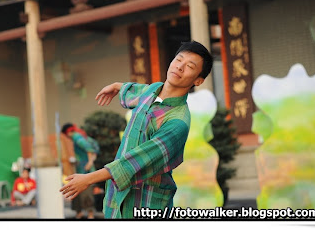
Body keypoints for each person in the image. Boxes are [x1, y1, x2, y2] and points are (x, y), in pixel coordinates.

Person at [59, 40, 213, 218]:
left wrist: (88, 179)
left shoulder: (177, 122)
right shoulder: (153, 90)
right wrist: (117, 86)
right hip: (117, 200)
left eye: (190, 66)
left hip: (147, 203)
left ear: (198, 80)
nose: (180, 67)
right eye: (179, 60)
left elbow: (136, 162)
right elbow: (137, 91)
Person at [61, 123, 99, 219]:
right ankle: (80, 212)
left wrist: (90, 162)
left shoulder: (77, 137)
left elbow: (88, 148)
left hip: (85, 170)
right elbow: (94, 148)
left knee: (86, 191)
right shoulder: (81, 136)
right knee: (77, 190)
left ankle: (89, 213)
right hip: (82, 169)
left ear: (68, 132)